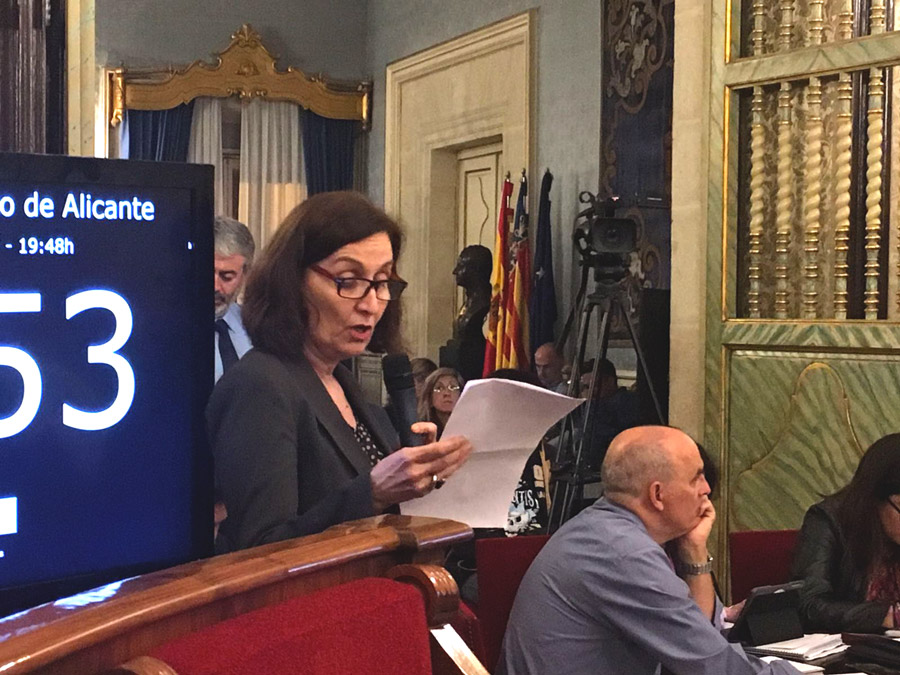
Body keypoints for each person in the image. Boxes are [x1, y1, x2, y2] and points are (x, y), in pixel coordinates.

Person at [207, 192, 472, 553]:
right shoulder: (260, 384)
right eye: (348, 281)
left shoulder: (343, 382)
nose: (371, 304)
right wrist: (373, 492)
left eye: (382, 281)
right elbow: (261, 550)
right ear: (293, 281)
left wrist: (419, 474)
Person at [498, 426, 798, 675]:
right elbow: (710, 664)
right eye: (696, 477)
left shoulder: (609, 530)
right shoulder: (622, 553)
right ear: (657, 494)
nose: (706, 489)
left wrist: (694, 551)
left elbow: (703, 637)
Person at [791, 433, 900, 633]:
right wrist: (887, 616)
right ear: (875, 497)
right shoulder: (828, 520)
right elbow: (807, 605)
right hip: (847, 648)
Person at [213, 215, 255, 382]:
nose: (215, 287)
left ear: (245, 275)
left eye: (227, 277)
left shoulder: (254, 327)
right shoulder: (170, 329)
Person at [416, 367, 464, 439]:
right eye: (439, 388)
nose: (447, 393)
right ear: (430, 398)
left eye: (453, 387)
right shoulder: (422, 432)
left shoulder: (471, 427)